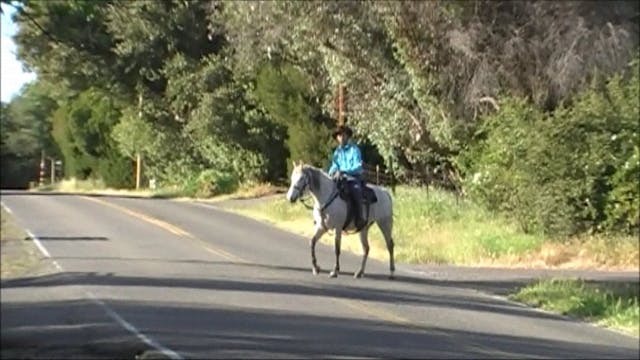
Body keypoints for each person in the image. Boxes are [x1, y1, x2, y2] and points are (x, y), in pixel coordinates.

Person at [328, 125, 365, 229]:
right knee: (327, 190)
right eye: (339, 136)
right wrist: (331, 173)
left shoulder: (354, 150)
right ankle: (325, 217)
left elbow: (358, 166)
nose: (341, 137)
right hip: (339, 177)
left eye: (343, 135)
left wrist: (344, 171)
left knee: (356, 190)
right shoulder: (337, 152)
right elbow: (334, 165)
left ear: (348, 136)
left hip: (353, 177)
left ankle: (359, 218)